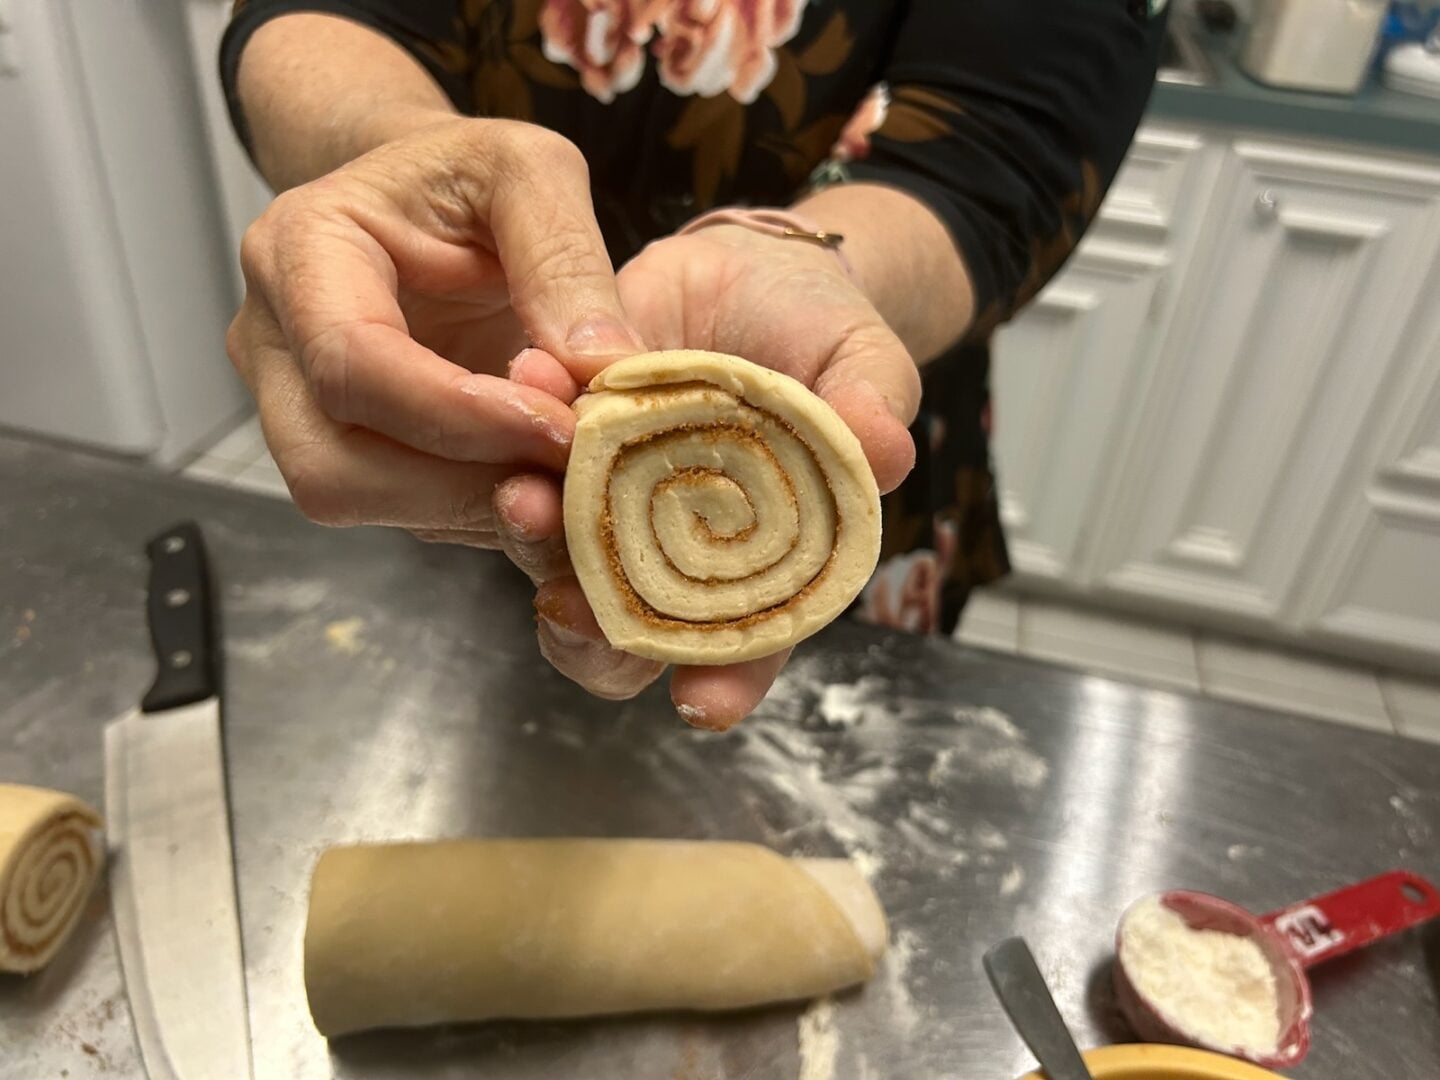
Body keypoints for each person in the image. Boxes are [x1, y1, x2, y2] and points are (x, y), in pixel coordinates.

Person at [220, 0, 1167, 730]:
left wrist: (812, 254)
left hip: (821, 415)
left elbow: (1006, 143)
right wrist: (413, 169)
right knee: (454, 708)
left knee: (828, 745)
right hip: (467, 387)